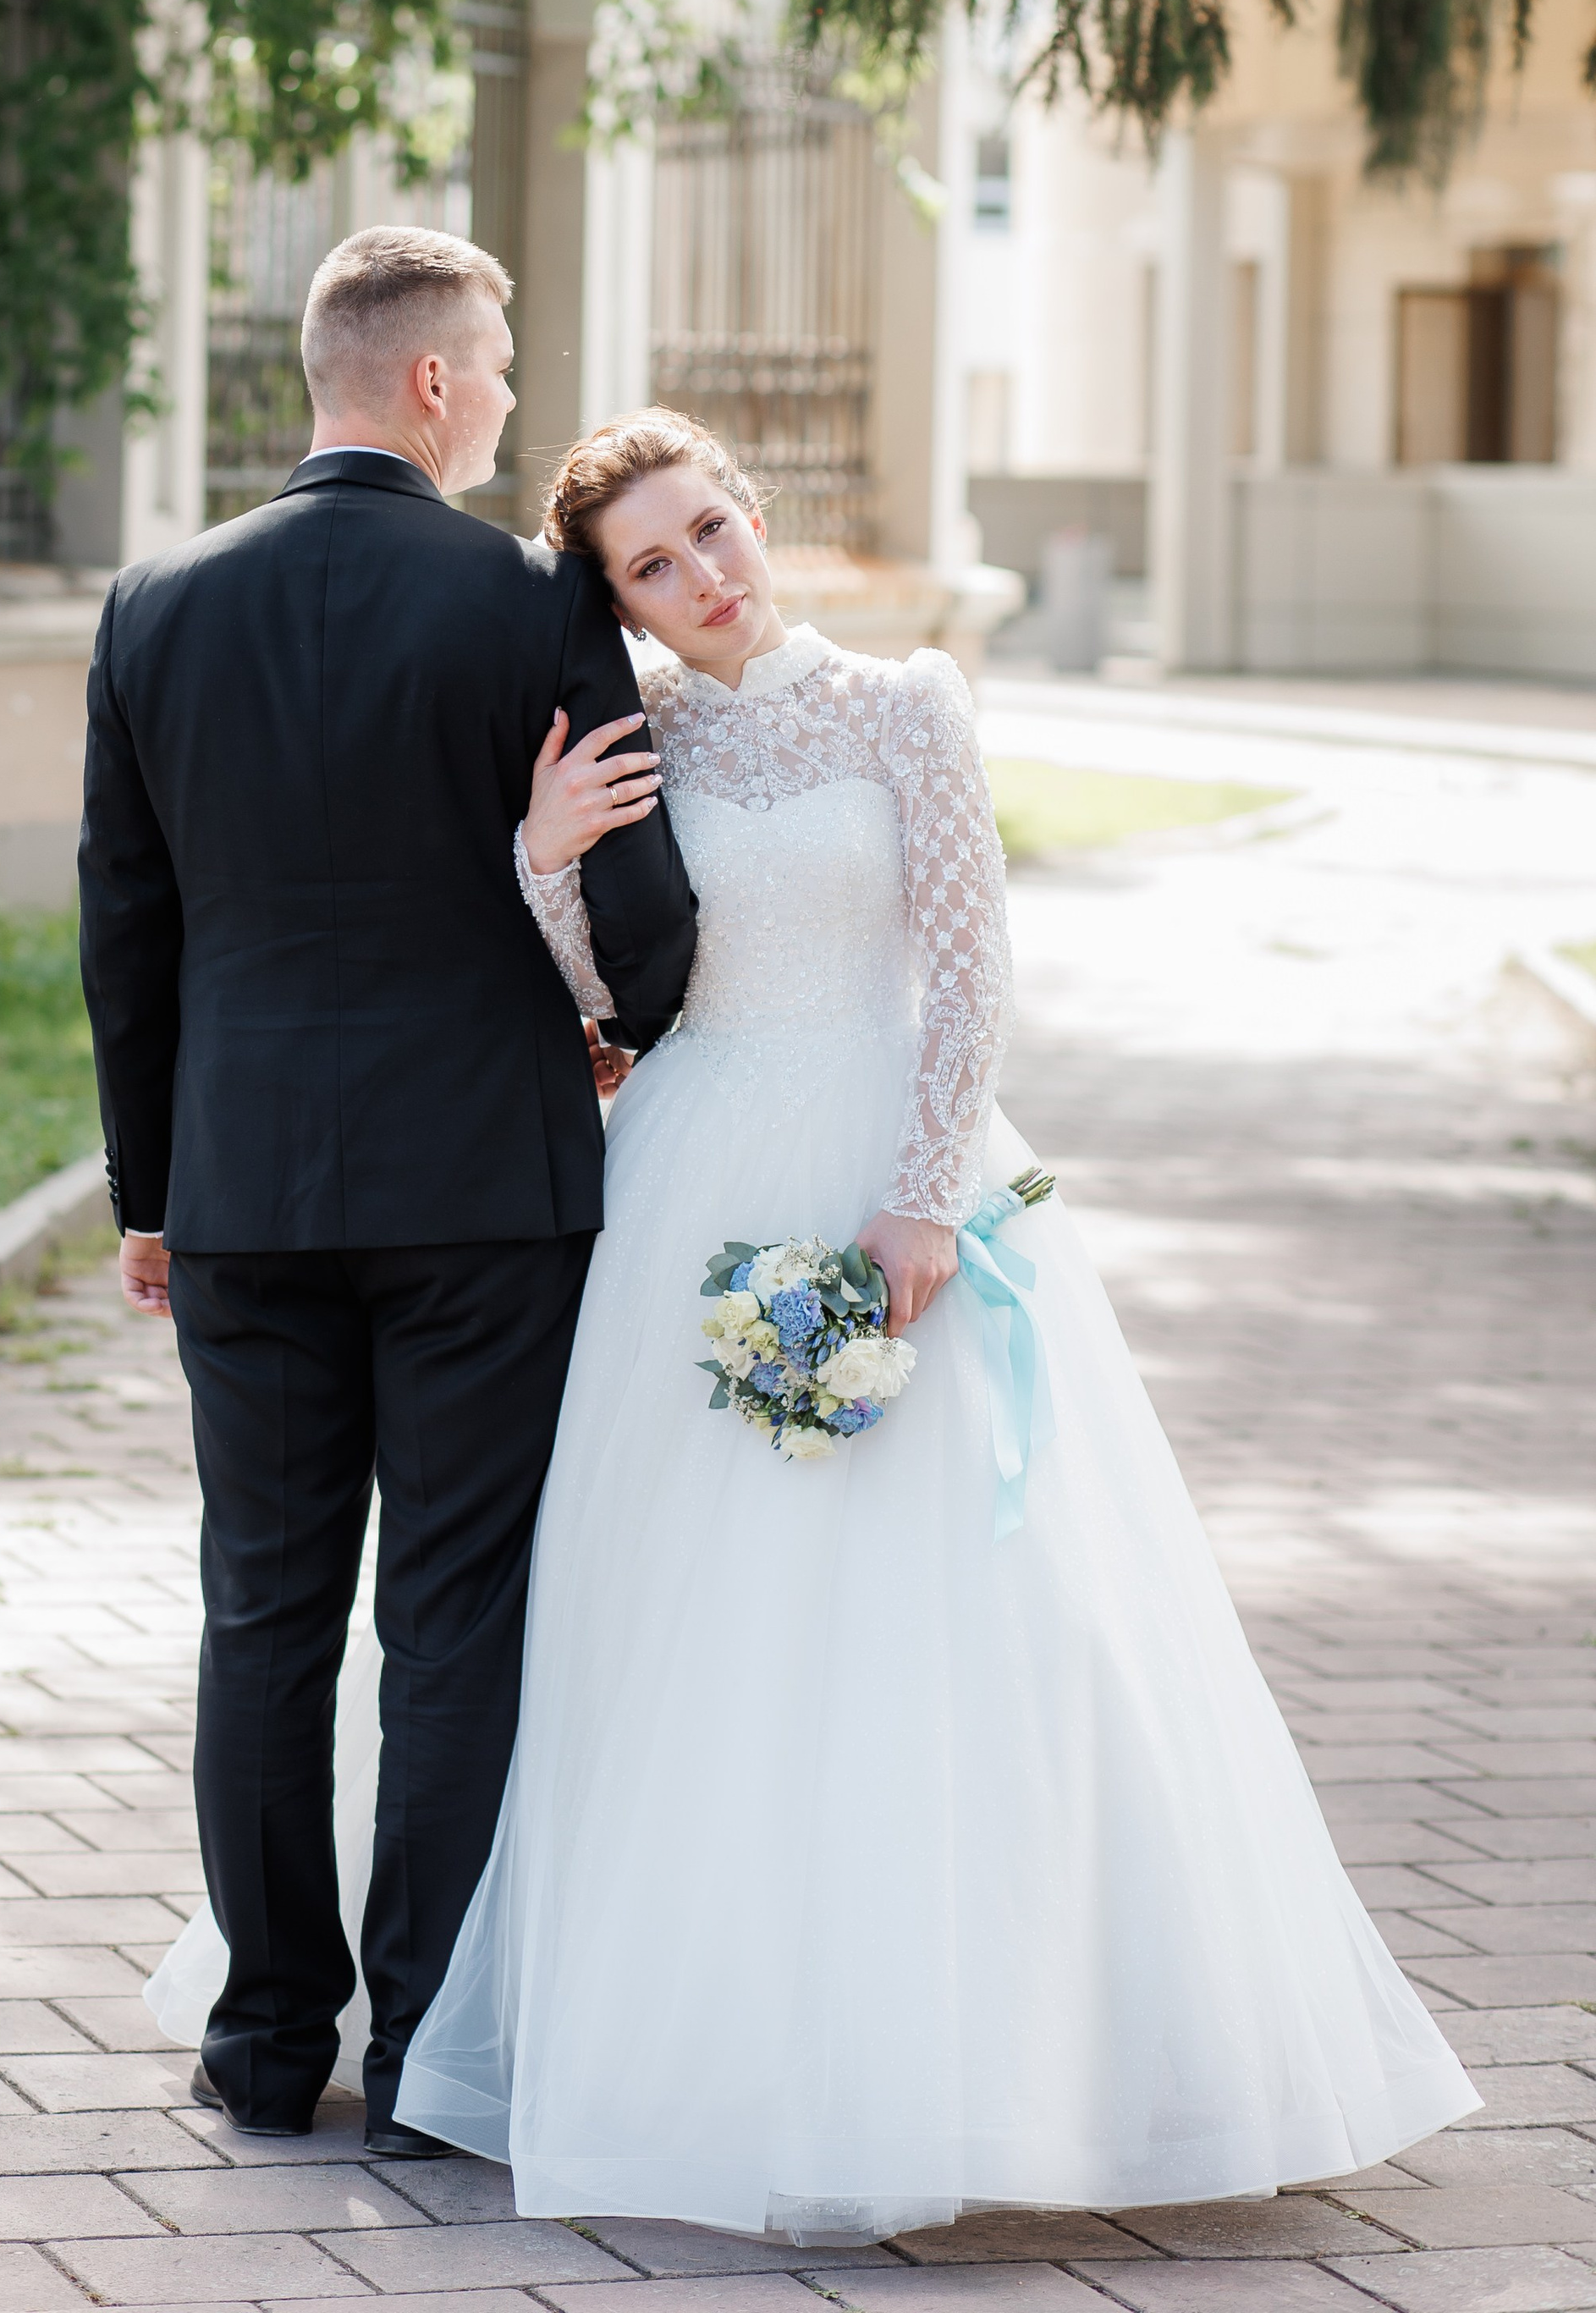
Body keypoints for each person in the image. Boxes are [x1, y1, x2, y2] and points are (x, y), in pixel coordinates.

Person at [162, 404, 1476, 2233]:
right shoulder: (632, 737)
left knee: (951, 1612)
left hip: (882, 1161)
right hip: (685, 1172)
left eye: (711, 532)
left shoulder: (904, 705)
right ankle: (630, 2025)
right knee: (642, 1607)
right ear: (610, 600)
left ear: (755, 517)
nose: (700, 579)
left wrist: (923, 1194)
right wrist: (542, 856)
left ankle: (984, 2056)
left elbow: (969, 962)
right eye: (649, 565)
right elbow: (608, 1001)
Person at [78, 236, 698, 2159]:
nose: (512, 394)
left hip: (244, 1190)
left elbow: (125, 928)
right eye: (498, 365)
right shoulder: (526, 602)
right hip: (484, 1196)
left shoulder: (155, 603)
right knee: (448, 1616)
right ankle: (426, 2055)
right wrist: (630, 1024)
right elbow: (641, 903)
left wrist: (148, 1190)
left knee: (260, 1615)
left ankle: (268, 2049)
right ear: (428, 387)